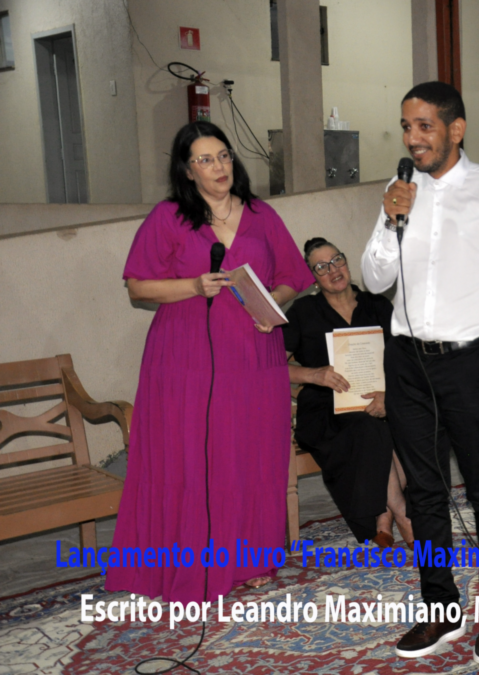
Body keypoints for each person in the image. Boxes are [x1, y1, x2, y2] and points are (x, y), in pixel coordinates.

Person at [361, 81, 479, 667]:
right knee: (425, 489)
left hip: (471, 361)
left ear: (455, 129)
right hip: (407, 363)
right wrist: (389, 220)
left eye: (424, 126)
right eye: (406, 127)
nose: (412, 138)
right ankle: (441, 607)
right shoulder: (399, 194)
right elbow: (376, 280)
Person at [106, 121, 314, 603]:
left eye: (222, 155)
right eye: (204, 159)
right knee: (191, 458)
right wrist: (194, 285)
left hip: (254, 352)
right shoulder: (168, 217)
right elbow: (138, 286)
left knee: (249, 454)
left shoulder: (261, 214)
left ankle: (249, 559)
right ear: (187, 170)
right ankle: (186, 563)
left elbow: (293, 275)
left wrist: (271, 307)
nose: (218, 166)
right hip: (186, 357)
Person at [282, 237, 412, 548]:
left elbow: (405, 360)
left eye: (337, 260)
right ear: (313, 277)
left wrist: (388, 394)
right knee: (372, 428)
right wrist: (313, 374)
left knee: (401, 424)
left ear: (346, 261)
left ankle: (382, 519)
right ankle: (403, 514)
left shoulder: (378, 305)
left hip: (381, 397)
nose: (333, 270)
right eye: (321, 267)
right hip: (325, 408)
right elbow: (272, 367)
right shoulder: (302, 311)